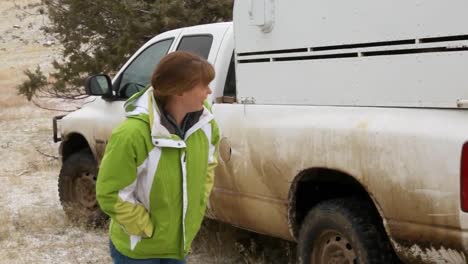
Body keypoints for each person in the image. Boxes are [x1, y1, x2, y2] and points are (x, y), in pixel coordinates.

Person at [96, 51, 220, 264]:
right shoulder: (132, 134)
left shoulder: (206, 126)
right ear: (179, 90)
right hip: (139, 252)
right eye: (203, 85)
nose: (209, 91)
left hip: (177, 246)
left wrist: (199, 203)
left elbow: (208, 167)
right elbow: (110, 193)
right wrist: (145, 228)